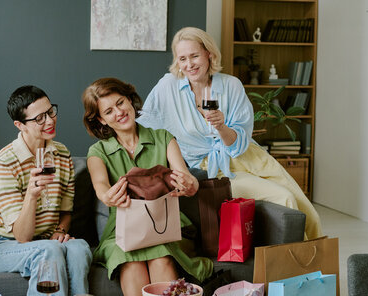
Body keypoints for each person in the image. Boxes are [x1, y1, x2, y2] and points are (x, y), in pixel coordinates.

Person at [138, 26, 322, 240]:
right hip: (212, 170)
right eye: (182, 58)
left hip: (248, 157)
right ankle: (295, 267)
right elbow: (143, 124)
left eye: (195, 56)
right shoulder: (167, 87)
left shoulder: (231, 85)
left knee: (308, 211)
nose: (189, 65)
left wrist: (221, 127)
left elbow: (239, 143)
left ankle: (316, 266)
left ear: (209, 53)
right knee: (286, 198)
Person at [82, 77, 213, 296]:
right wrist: (107, 196)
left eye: (121, 103)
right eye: (109, 111)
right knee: (130, 261)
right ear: (101, 119)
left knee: (160, 255)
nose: (119, 112)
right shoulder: (98, 151)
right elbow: (100, 186)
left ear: (131, 101)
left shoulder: (163, 137)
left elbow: (188, 180)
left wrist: (189, 184)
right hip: (121, 232)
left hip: (166, 226)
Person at [0, 85, 92, 296]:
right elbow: (22, 237)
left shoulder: (61, 154)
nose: (50, 120)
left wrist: (60, 231)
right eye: (39, 118)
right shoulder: (5, 162)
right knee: (48, 251)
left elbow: (66, 211)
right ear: (20, 125)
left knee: (79, 248)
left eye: (51, 111)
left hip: (43, 241)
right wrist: (31, 194)